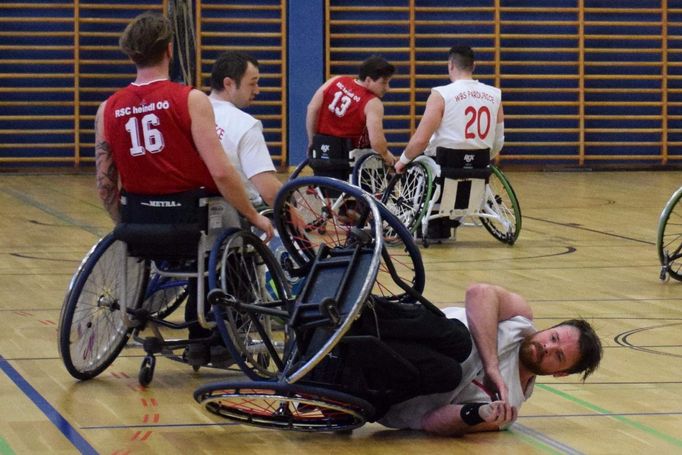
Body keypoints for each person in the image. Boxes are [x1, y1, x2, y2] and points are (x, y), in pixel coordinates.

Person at [94, 11, 273, 366]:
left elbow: (105, 184)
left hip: (138, 224)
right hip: (193, 222)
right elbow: (221, 172)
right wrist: (254, 215)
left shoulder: (107, 108)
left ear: (131, 55)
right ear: (170, 50)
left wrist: (126, 224)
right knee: (242, 232)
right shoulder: (190, 99)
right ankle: (216, 338)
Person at [335, 283, 602, 437]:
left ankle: (354, 344)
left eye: (558, 355)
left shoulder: (508, 408)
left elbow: (432, 422)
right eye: (553, 337)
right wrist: (492, 367)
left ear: (561, 373)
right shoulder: (519, 317)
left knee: (448, 372)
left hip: (386, 391)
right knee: (459, 339)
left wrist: (477, 414)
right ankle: (361, 311)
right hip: (405, 329)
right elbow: (478, 292)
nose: (546, 346)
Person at [395, 45, 505, 173]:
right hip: (479, 166)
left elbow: (421, 140)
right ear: (473, 66)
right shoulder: (495, 95)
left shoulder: (440, 94)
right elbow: (498, 141)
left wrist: (402, 161)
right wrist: (479, 161)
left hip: (442, 167)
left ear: (451, 65)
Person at [208, 51, 281, 209]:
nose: (257, 91)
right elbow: (269, 191)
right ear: (228, 84)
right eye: (252, 83)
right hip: (238, 209)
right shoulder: (245, 125)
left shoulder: (190, 112)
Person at [306, 55, 398, 169]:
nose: (387, 88)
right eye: (383, 83)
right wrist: (386, 155)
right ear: (368, 80)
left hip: (323, 152)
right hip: (353, 161)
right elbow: (377, 142)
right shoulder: (372, 102)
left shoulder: (335, 80)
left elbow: (312, 108)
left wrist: (312, 141)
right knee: (385, 161)